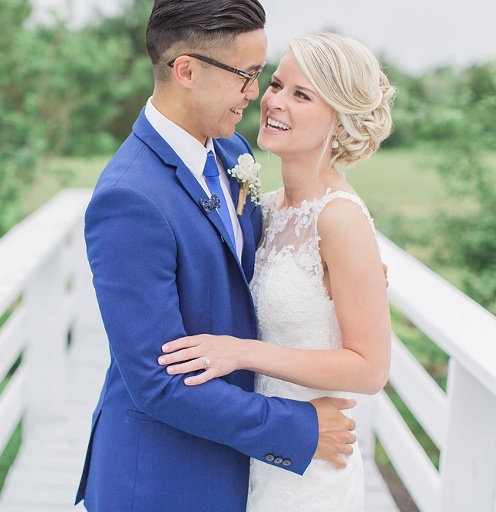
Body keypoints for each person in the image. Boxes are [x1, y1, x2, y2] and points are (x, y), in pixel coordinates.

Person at [75, 2, 358, 510]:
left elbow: (254, 260)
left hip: (236, 460)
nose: (257, 94)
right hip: (164, 477)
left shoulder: (231, 153)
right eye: (247, 75)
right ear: (186, 70)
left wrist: (347, 262)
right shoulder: (128, 198)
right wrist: (301, 425)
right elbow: (158, 381)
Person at [158, 32, 395, 510]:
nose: (274, 101)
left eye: (301, 95)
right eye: (277, 84)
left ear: (340, 119)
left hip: (311, 468)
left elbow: (370, 369)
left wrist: (241, 353)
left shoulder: (340, 218)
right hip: (255, 451)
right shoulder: (264, 208)